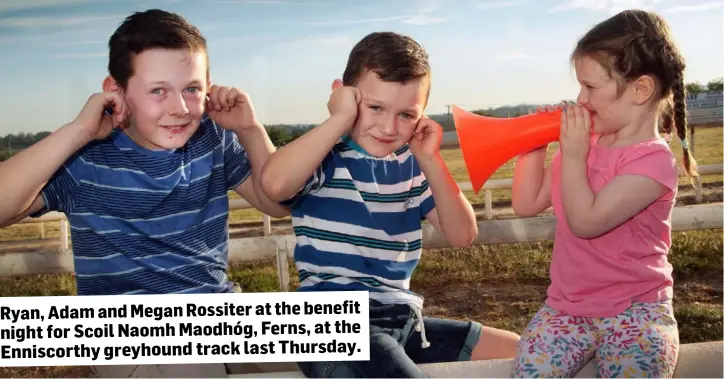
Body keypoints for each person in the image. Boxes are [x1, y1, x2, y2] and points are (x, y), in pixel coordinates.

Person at [0, 8, 289, 377]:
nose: (180, 108)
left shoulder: (214, 140)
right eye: (158, 91)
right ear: (116, 92)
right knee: (197, 369)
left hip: (219, 313)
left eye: (192, 88)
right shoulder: (84, 157)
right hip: (123, 331)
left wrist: (249, 130)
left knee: (320, 359)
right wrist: (78, 131)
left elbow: (277, 204)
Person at [260, 31, 521, 378]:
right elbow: (275, 184)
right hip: (331, 323)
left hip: (403, 321)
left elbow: (462, 234)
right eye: (375, 107)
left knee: (522, 350)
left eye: (406, 115)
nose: (388, 127)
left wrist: (429, 160)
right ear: (344, 96)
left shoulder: (412, 167)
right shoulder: (323, 156)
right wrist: (338, 119)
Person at [510, 9, 697, 378]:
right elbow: (526, 203)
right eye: (580, 86)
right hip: (566, 309)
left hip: (637, 311)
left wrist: (575, 153)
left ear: (640, 90)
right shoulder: (583, 145)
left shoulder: (654, 163)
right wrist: (531, 147)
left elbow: (585, 221)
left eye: (591, 87)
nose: (580, 98)